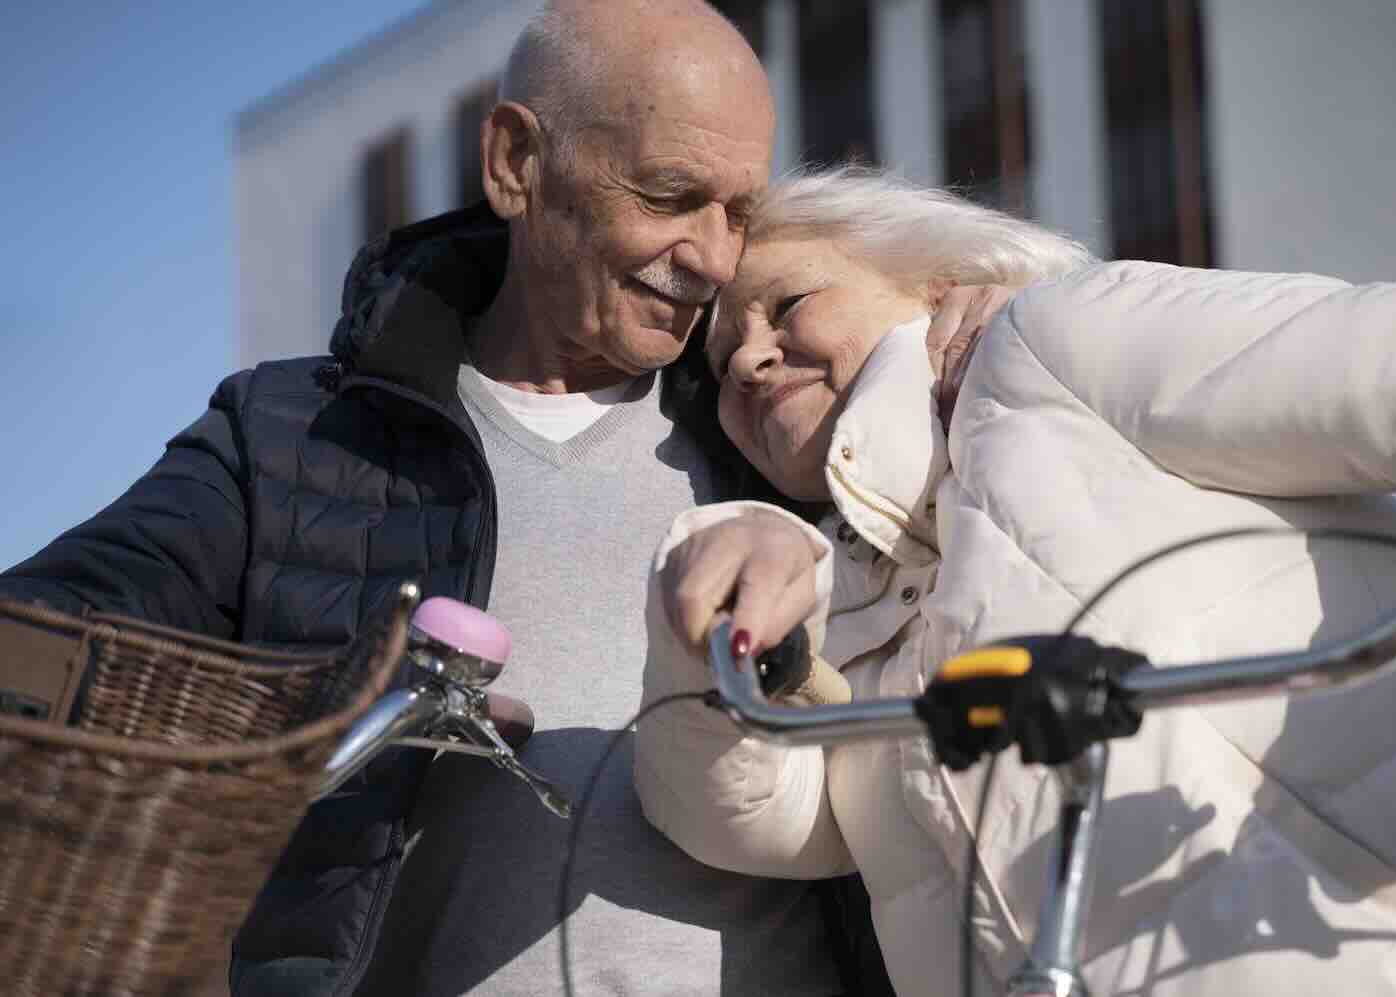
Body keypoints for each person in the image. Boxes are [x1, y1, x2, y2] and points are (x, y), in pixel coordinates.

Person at [0, 4, 988, 994]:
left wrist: (991, 327)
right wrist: (330, 712)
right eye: (668, 194)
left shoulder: (773, 425)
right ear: (515, 161)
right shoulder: (292, 436)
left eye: (736, 210)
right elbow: (36, 648)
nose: (714, 260)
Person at [636, 165, 1396, 996]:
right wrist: (710, 612)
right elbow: (749, 816)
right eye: (718, 364)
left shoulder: (1052, 345)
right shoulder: (827, 602)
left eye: (786, 305)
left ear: (932, 281)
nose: (747, 359)